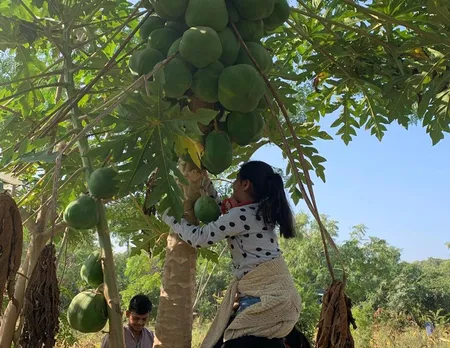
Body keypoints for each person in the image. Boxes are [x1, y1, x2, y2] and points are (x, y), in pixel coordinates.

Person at [162, 161, 302, 348]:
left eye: (236, 180)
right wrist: (205, 182)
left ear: (245, 184)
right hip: (280, 297)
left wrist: (168, 216)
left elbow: (199, 237)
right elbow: (226, 212)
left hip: (264, 296)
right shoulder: (259, 212)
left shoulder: (242, 215)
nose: (232, 184)